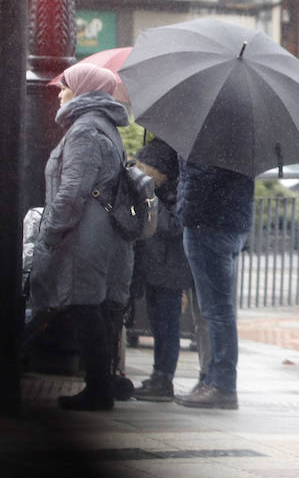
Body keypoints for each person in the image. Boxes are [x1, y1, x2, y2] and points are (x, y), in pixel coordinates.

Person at [27, 64, 135, 411]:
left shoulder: (85, 130)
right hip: (99, 232)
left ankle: (98, 390)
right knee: (94, 307)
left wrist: (50, 233)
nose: (60, 93)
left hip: (85, 234)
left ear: (84, 90)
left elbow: (73, 191)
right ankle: (102, 382)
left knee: (84, 305)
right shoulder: (104, 127)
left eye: (67, 86)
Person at [175, 157, 254, 409]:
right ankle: (213, 379)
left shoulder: (208, 143)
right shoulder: (241, 138)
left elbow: (199, 184)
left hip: (209, 227)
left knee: (217, 311)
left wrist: (183, 212)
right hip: (231, 224)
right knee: (219, 310)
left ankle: (222, 384)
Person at [130, 138, 193, 402]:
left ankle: (164, 378)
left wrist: (151, 198)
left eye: (147, 169)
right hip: (153, 266)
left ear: (161, 171)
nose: (142, 173)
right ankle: (158, 375)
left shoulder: (176, 192)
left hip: (170, 269)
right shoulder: (160, 189)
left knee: (167, 326)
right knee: (157, 323)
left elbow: (172, 227)